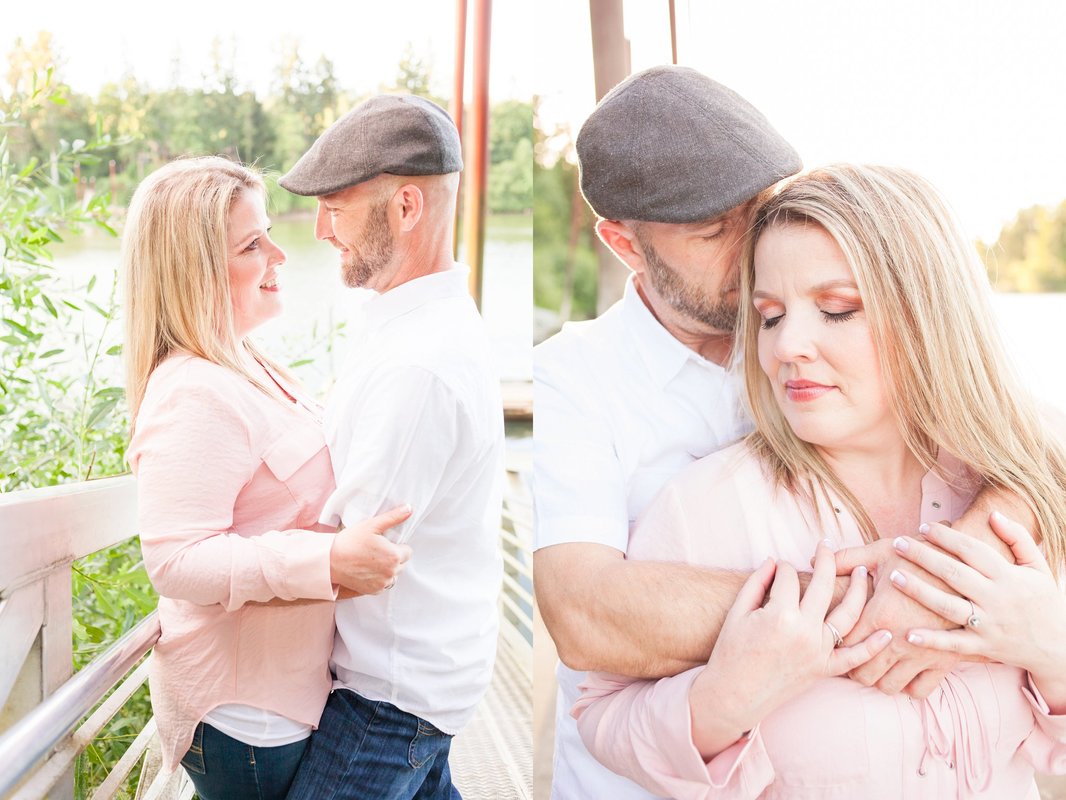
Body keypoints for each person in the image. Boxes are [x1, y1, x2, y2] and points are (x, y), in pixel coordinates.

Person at [533, 65, 1034, 800]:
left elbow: (1023, 440)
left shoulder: (827, 341)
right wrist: (879, 595)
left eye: (759, 209)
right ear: (624, 244)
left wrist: (966, 572)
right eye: (711, 231)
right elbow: (585, 615)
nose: (751, 243)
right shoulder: (571, 381)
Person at [123, 156, 413, 800]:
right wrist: (329, 558)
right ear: (194, 269)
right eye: (253, 244)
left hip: (289, 693)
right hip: (247, 717)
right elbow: (175, 561)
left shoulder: (247, 362)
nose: (281, 254)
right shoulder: (193, 391)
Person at [279, 95, 505, 799]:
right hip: (418, 686)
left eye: (336, 207)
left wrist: (209, 558)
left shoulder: (419, 364)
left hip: (385, 704)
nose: (319, 230)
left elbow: (351, 556)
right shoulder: (410, 327)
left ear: (406, 207)